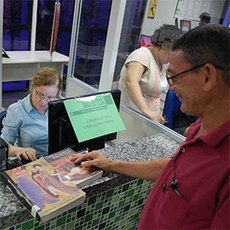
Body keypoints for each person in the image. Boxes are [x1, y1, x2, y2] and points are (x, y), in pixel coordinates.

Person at [72, 24, 229, 229]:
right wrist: (112, 164)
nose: (171, 87)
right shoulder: (200, 128)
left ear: (207, 76)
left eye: (174, 77)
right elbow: (176, 168)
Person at [119, 24, 182, 123]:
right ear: (164, 46)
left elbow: (172, 79)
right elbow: (131, 82)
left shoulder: (163, 63)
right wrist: (146, 110)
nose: (173, 57)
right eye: (173, 52)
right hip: (131, 116)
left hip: (149, 119)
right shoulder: (141, 55)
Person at [0, 67, 62, 161]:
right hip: (29, 162)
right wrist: (19, 150)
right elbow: (3, 147)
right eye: (40, 95)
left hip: (55, 159)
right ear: (33, 87)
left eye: (50, 97)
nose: (44, 102)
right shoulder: (17, 110)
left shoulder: (58, 106)